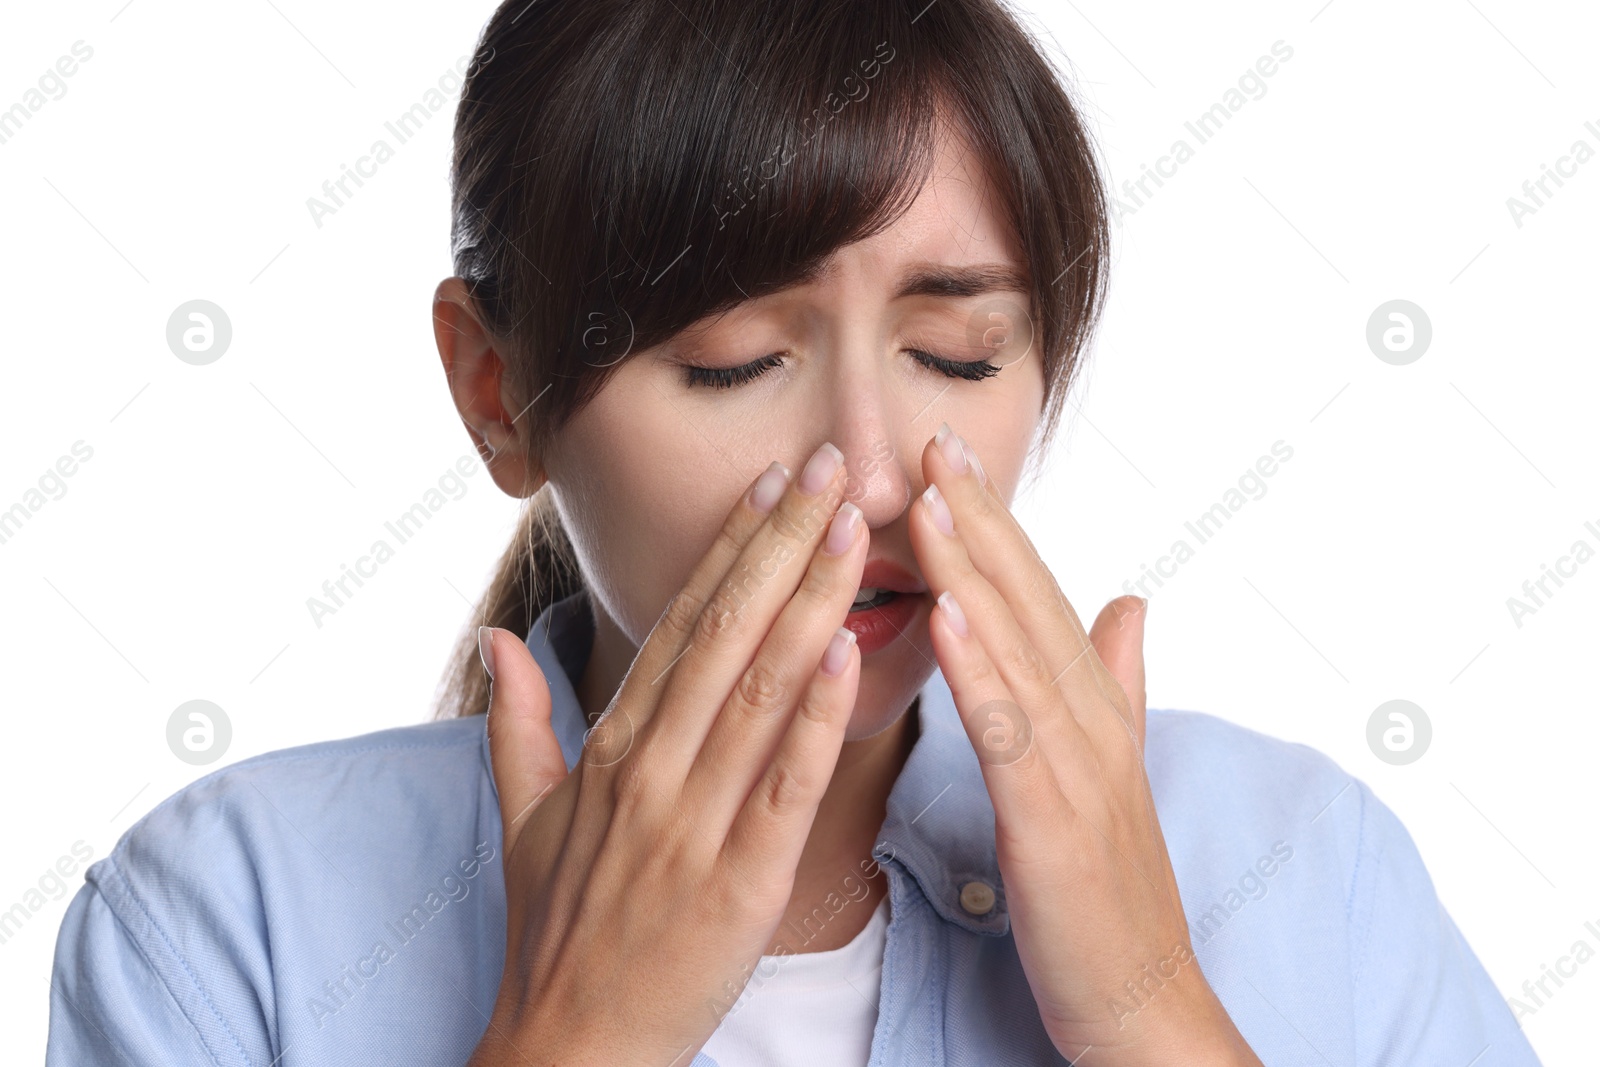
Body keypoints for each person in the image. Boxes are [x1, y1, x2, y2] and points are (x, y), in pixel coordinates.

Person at [47, 1, 1542, 1064]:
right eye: (733, 363)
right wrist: (578, 1042)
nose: (874, 474)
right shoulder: (225, 920)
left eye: (958, 355)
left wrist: (1153, 1014)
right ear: (499, 394)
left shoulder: (1301, 866)